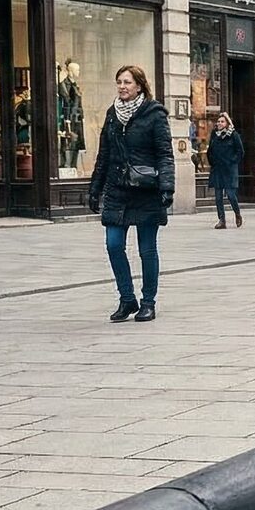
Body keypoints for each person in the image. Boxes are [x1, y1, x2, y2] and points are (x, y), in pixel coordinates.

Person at [85, 64, 174, 323]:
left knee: (147, 249)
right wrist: (95, 189)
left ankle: (148, 302)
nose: (122, 87)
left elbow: (164, 154)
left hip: (146, 190)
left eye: (127, 82)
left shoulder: (154, 114)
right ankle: (127, 298)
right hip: (117, 190)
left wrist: (167, 187)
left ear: (139, 85)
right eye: (119, 82)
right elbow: (104, 154)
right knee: (113, 245)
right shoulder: (112, 114)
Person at [207, 113, 244, 229]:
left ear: (227, 124)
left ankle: (237, 214)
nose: (219, 123)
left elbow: (240, 151)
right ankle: (221, 220)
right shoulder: (214, 135)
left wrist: (232, 161)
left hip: (229, 169)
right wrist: (212, 161)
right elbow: (210, 150)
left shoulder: (233, 135)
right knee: (218, 197)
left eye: (222, 121)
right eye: (218, 121)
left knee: (230, 195)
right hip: (217, 169)